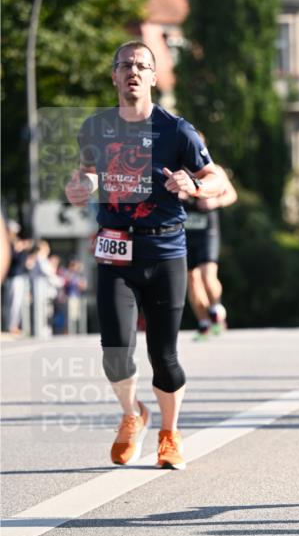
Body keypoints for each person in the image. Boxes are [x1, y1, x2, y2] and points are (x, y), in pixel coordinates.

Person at [65, 40, 226, 469]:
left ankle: (170, 434)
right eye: (125, 65)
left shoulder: (177, 130)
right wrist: (78, 186)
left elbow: (218, 179)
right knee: (115, 351)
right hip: (114, 247)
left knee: (163, 354)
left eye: (142, 66)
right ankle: (132, 413)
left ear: (154, 77)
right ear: (115, 76)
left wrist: (194, 186)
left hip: (164, 248)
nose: (133, 71)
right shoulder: (95, 128)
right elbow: (84, 173)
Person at [184, 152, 237, 340]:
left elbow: (231, 195)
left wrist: (215, 201)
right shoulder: (177, 170)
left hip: (207, 231)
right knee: (192, 279)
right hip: (185, 232)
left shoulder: (214, 170)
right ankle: (204, 323)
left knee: (207, 274)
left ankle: (216, 308)